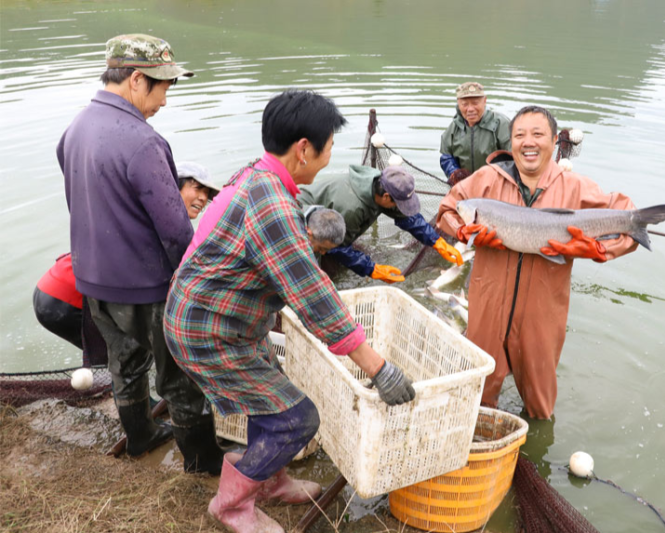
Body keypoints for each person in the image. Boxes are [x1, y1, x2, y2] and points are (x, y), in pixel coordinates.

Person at [163, 90, 415, 533]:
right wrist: (380, 369)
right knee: (297, 418)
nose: (330, 155)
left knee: (272, 399)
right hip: (207, 331)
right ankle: (232, 505)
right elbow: (315, 296)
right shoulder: (273, 203)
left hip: (231, 322)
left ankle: (271, 480)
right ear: (304, 149)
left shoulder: (262, 176)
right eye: (329, 146)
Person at [56, 34, 225, 471]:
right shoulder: (142, 141)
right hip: (145, 288)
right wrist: (199, 285)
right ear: (136, 79)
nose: (165, 100)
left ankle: (141, 438)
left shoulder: (75, 128)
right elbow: (174, 231)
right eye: (163, 87)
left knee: (125, 364)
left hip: (93, 282)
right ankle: (203, 466)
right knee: (182, 381)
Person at [437, 105, 639, 420]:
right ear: (510, 140)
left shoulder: (575, 186)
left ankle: (537, 449)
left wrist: (601, 249)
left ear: (555, 140)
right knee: (476, 393)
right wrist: (461, 230)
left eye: (538, 134)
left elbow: (626, 216)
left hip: (544, 312)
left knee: (540, 404)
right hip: (488, 303)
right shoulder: (487, 179)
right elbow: (448, 209)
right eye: (519, 134)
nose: (528, 142)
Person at [33, 162, 219, 369]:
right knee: (129, 353)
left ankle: (126, 393)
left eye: (207, 193)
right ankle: (140, 399)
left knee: (125, 353)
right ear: (174, 186)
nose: (203, 198)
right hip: (65, 297)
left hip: (53, 287)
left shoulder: (152, 215)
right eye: (197, 188)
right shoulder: (162, 225)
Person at [297, 165, 463, 283]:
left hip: (333, 221)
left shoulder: (381, 183)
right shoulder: (353, 209)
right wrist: (372, 269)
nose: (400, 209)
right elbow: (338, 247)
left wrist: (436, 241)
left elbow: (405, 217)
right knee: (313, 269)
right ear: (385, 197)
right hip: (302, 221)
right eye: (398, 204)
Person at [439, 82, 511, 185]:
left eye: (475, 103)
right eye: (465, 104)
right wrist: (454, 172)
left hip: (495, 185)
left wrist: (493, 176)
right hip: (464, 186)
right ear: (458, 104)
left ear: (484, 101)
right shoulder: (453, 127)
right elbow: (446, 156)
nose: (470, 109)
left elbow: (514, 158)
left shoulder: (501, 124)